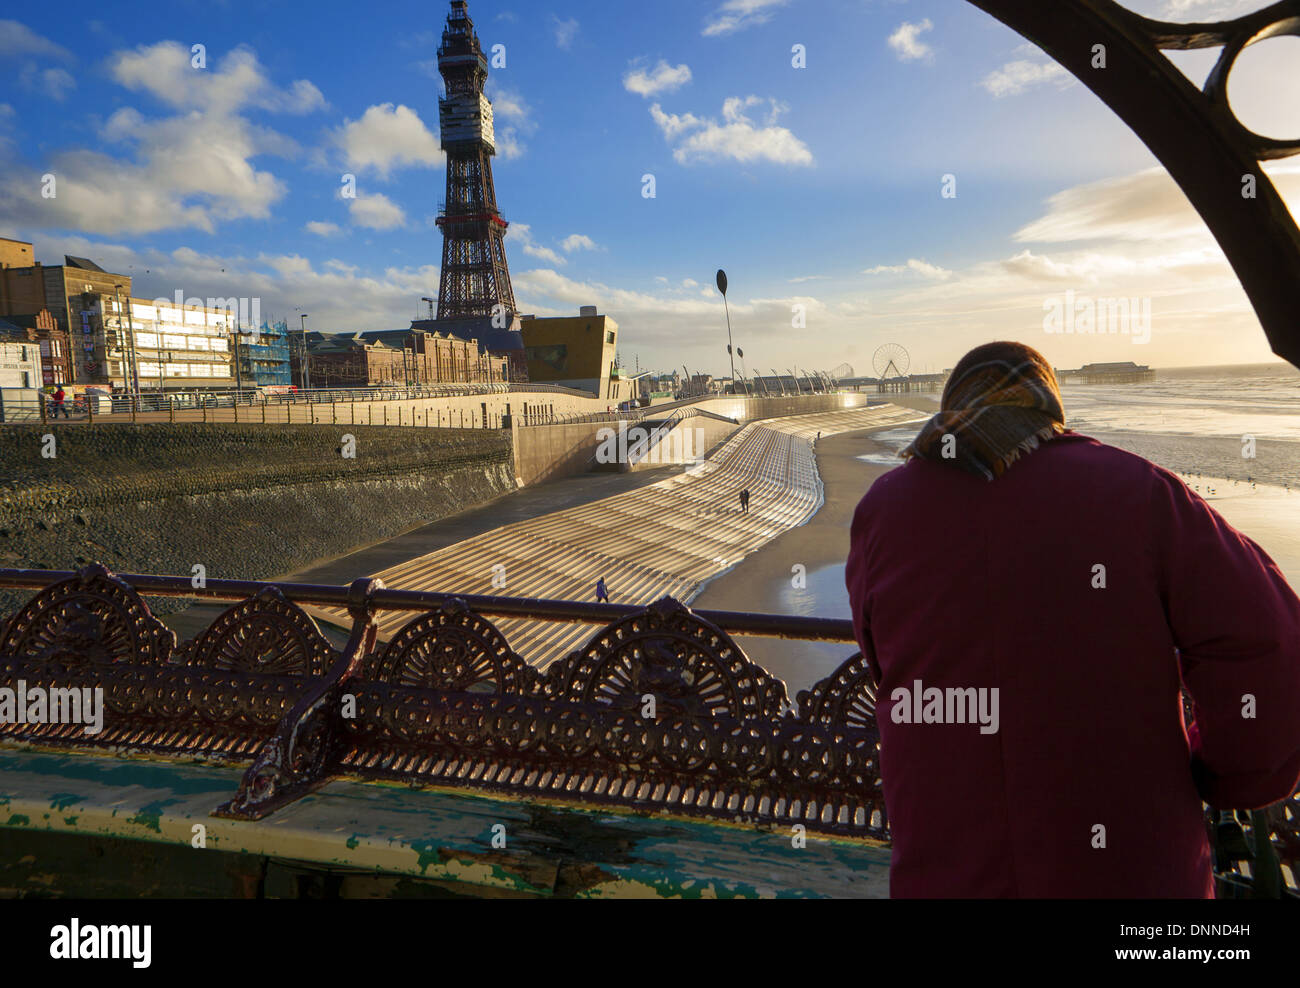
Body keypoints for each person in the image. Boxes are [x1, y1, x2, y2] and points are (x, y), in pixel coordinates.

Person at [845, 341, 1300, 898]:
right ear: (1047, 405)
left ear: (953, 407)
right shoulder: (1138, 489)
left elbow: (880, 655)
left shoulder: (883, 510)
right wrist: (1232, 774)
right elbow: (1267, 638)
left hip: (943, 867)